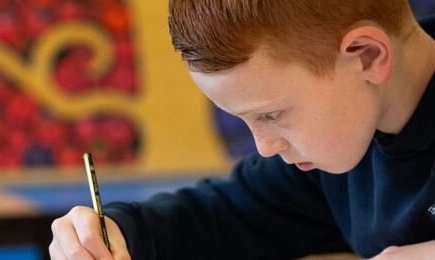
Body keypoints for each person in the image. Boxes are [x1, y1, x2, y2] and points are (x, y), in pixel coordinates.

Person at [49, 0, 435, 259]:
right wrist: (120, 232)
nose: (264, 147)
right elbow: (227, 214)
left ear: (367, 56)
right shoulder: (335, 150)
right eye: (244, 120)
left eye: (271, 114)